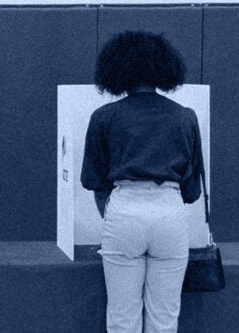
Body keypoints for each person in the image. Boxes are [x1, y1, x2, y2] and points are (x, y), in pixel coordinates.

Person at [81, 31, 203, 333]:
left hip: (123, 210)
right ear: (165, 67)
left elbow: (96, 181)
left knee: (122, 317)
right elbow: (192, 190)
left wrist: (113, 215)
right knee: (164, 318)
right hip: (169, 212)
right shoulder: (185, 117)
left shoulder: (103, 117)